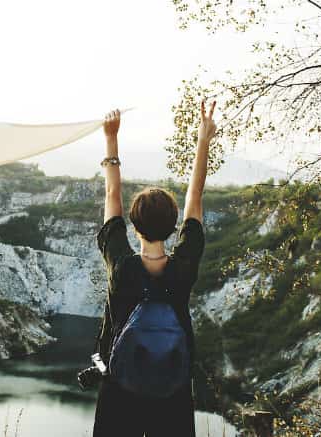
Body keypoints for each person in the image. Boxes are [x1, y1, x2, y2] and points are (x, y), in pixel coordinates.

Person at [92, 102, 216, 437]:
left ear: (134, 226)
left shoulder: (121, 267)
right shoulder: (183, 268)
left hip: (119, 388)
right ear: (174, 226)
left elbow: (111, 193)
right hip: (172, 390)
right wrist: (203, 141)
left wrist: (111, 138)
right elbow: (195, 195)